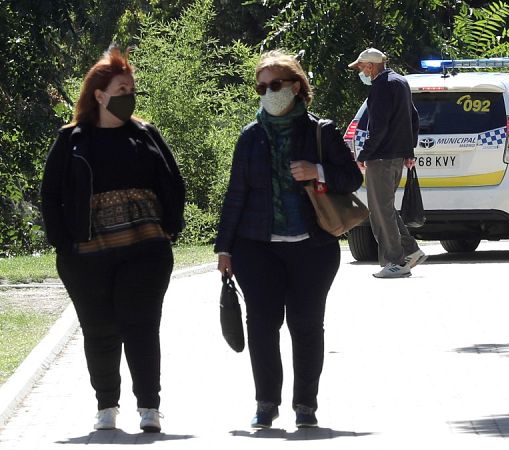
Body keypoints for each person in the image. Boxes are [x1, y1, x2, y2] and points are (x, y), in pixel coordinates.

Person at [215, 50, 362, 429]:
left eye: (274, 85)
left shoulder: (320, 131)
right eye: (261, 87)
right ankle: (266, 403)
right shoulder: (251, 136)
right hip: (256, 247)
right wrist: (224, 248)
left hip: (313, 247)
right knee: (262, 325)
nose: (267, 92)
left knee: (306, 324)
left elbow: (352, 178)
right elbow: (236, 195)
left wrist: (318, 170)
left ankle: (306, 406)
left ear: (296, 86)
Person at [40, 47, 185, 432]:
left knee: (141, 326)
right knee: (99, 329)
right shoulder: (71, 139)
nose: (129, 96)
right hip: (87, 253)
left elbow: (173, 181)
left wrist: (171, 227)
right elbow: (50, 195)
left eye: (131, 89)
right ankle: (106, 405)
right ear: (99, 95)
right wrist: (63, 243)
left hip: (146, 248)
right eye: (122, 89)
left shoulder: (145, 134)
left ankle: (149, 407)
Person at [348, 47, 426, 278]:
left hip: (381, 158)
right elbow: (413, 118)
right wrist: (408, 151)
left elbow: (378, 127)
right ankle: (410, 251)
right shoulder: (401, 82)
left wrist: (364, 154)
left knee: (380, 211)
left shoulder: (381, 86)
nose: (361, 71)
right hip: (396, 157)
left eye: (361, 67)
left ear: (371, 66)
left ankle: (396, 262)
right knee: (386, 209)